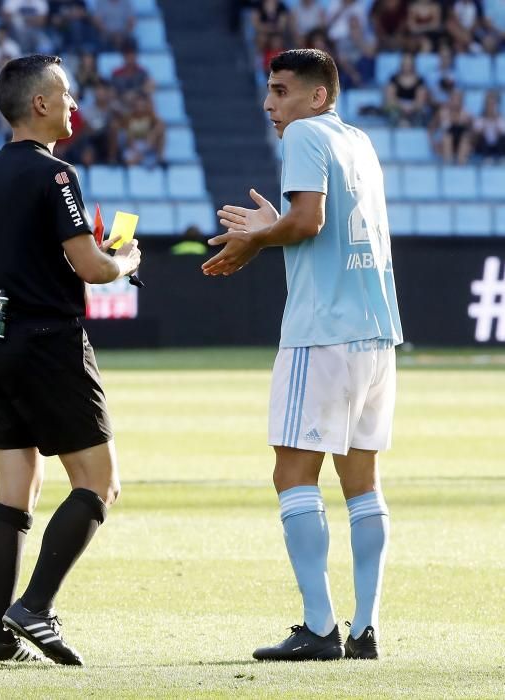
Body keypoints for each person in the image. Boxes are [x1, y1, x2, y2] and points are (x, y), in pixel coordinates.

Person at [202, 49, 402, 662]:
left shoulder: (307, 135)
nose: (270, 104)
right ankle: (365, 627)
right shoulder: (359, 142)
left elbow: (309, 221)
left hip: (323, 331)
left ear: (318, 97)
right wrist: (269, 228)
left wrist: (257, 235)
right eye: (269, 91)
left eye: (282, 91)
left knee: (293, 475)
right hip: (377, 331)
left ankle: (319, 629)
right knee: (362, 484)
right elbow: (319, 220)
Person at [0, 53, 141, 665]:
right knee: (100, 483)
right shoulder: (56, 175)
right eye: (65, 94)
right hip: (49, 342)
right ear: (39, 104)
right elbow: (92, 267)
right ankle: (34, 606)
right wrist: (127, 261)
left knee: (14, 492)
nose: (73, 105)